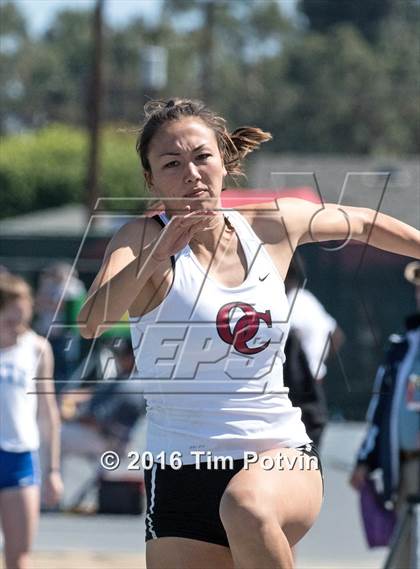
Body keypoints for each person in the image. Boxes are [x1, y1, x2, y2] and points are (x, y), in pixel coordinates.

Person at [77, 98, 420, 569]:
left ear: (223, 160)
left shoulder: (271, 224)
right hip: (179, 473)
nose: (192, 173)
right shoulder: (138, 239)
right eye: (172, 164)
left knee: (246, 507)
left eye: (202, 156)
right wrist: (156, 256)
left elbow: (362, 222)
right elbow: (92, 320)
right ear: (151, 180)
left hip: (277, 456)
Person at [349, 261, 420, 568]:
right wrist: (366, 459)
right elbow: (383, 408)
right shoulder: (403, 346)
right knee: (405, 552)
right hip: (408, 471)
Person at [0, 272, 63, 569]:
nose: (18, 329)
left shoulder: (36, 348)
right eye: (11, 321)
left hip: (20, 457)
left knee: (19, 554)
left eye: (23, 320)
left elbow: (48, 412)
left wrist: (52, 470)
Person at [284, 259, 345, 447]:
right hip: (307, 385)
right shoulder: (307, 299)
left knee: (301, 453)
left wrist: (313, 363)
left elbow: (336, 336)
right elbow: (336, 334)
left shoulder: (291, 303)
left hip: (301, 389)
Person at [60, 339, 146, 463]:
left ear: (132, 358)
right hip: (125, 441)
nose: (118, 358)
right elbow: (98, 392)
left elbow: (96, 420)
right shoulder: (140, 380)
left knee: (54, 437)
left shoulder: (126, 385)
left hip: (110, 441)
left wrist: (72, 418)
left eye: (122, 355)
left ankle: (51, 478)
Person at [34, 262, 86, 393]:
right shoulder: (48, 286)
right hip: (48, 334)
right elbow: (37, 304)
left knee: (67, 366)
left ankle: (66, 395)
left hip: (66, 335)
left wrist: (50, 303)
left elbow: (63, 305)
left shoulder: (74, 286)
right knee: (51, 368)